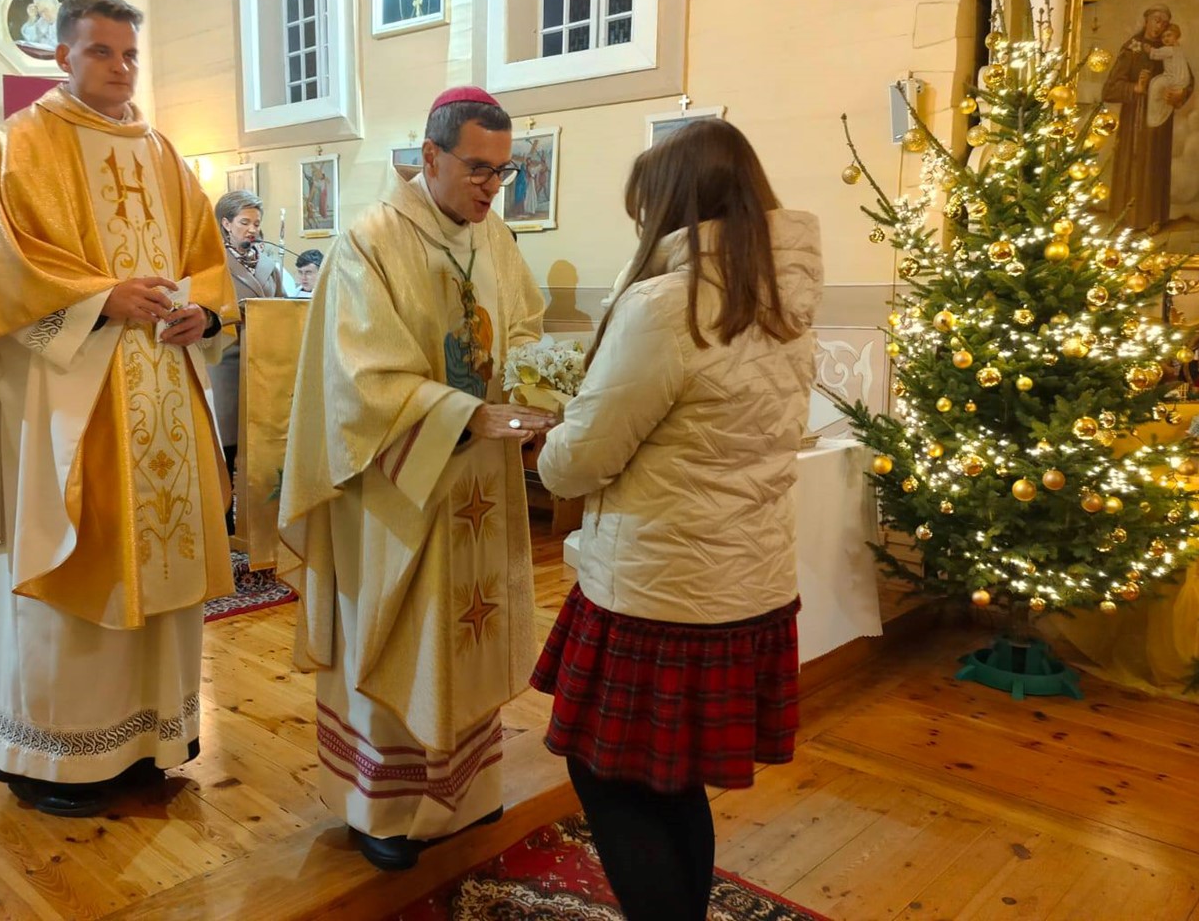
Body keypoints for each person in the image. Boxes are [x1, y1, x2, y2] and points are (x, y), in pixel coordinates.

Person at [0, 0, 240, 818]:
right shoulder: (16, 148)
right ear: (61, 56)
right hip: (66, 401)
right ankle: (52, 755)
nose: (120, 67)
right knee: (73, 556)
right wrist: (102, 299)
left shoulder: (164, 154)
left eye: (130, 52)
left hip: (163, 395)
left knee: (158, 566)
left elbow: (206, 261)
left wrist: (202, 311)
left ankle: (148, 740)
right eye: (101, 51)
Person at [529, 119, 823, 921]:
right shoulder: (782, 297)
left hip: (659, 589)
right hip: (744, 583)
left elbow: (581, 458)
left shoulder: (668, 304)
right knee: (672, 777)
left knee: (609, 775)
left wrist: (550, 440)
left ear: (671, 208)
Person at [278, 86, 554, 871]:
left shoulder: (490, 237)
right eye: (475, 168)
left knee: (468, 628)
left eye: (501, 172)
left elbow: (525, 324)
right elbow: (361, 381)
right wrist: (462, 415)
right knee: (404, 631)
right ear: (428, 156)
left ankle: (465, 793)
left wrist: (532, 385)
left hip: (477, 481)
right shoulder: (369, 241)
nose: (489, 187)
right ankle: (384, 805)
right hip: (396, 486)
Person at [208, 189, 292, 532]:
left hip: (265, 365)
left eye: (256, 223)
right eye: (244, 222)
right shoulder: (212, 263)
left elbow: (284, 307)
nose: (251, 229)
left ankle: (260, 525)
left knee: (260, 446)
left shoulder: (269, 262)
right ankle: (224, 528)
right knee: (227, 449)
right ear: (226, 223)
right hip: (226, 363)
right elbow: (206, 307)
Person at [1102, 4, 1195, 230]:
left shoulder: (1170, 47)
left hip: (1161, 121)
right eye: (1156, 20)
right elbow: (1110, 89)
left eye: (1164, 22)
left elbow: (1187, 79)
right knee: (1135, 165)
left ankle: (1154, 218)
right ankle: (1128, 219)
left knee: (1156, 166)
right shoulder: (1132, 48)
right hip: (1135, 119)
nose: (1159, 25)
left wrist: (1181, 93)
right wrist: (1135, 88)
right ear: (1146, 21)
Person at [1147, 24, 1190, 129]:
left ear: (1176, 36)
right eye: (1163, 37)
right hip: (1180, 80)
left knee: (1155, 84)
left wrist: (1149, 50)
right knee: (1156, 83)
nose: (1165, 39)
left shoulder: (1169, 49)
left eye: (1169, 35)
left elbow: (1156, 54)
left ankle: (1155, 116)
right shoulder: (1178, 49)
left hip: (1172, 78)